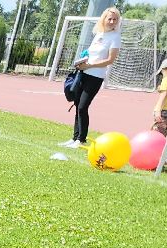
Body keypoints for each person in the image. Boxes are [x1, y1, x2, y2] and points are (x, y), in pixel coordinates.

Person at [66, 6, 121, 147]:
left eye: (115, 19)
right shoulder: (99, 34)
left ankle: (81, 139)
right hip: (84, 73)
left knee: (83, 106)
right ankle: (75, 138)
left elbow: (110, 60)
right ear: (104, 19)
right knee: (78, 105)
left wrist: (90, 65)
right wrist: (82, 62)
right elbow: (90, 54)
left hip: (95, 77)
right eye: (110, 18)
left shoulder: (115, 37)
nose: (112, 21)